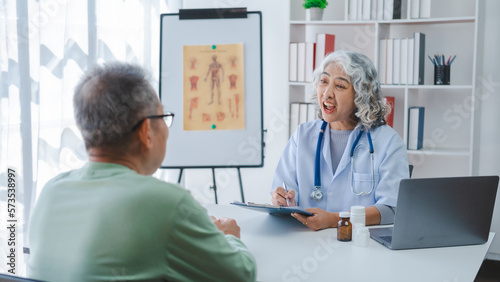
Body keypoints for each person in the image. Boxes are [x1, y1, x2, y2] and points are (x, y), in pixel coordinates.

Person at [27, 62, 256, 281]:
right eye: (163, 117)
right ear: (146, 131)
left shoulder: (51, 192)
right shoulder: (167, 203)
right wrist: (228, 237)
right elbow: (241, 276)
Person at [271, 50, 409, 231]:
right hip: (306, 241)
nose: (327, 93)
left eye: (340, 86)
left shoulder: (388, 142)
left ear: (361, 95)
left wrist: (335, 219)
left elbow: (392, 209)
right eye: (324, 81)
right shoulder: (303, 135)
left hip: (361, 246)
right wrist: (280, 199)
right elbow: (283, 190)